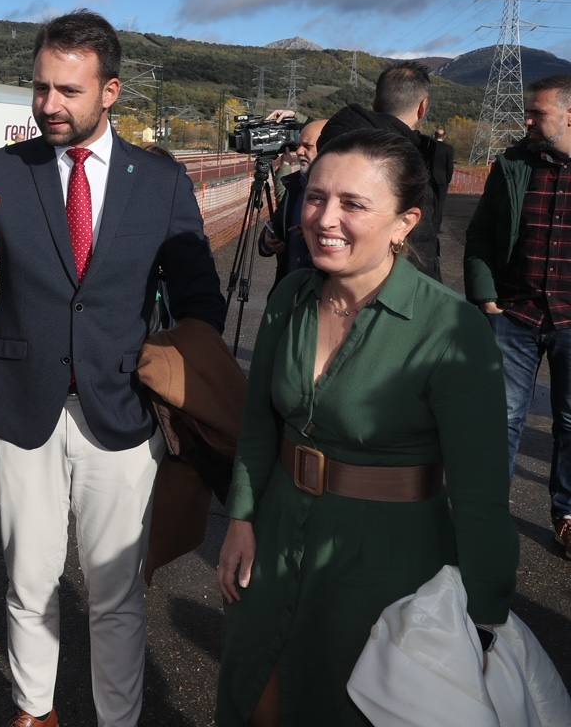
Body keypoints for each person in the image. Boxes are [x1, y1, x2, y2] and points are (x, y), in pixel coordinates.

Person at [0, 10, 226, 727]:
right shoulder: (2, 170)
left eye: (67, 91)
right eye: (40, 89)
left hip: (122, 411)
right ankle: (34, 711)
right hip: (20, 406)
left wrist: (181, 374)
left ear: (111, 91)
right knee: (28, 582)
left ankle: (116, 719)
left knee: (116, 590)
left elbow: (199, 298)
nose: (48, 106)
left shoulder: (160, 182)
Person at [217, 129, 517, 726]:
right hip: (277, 534)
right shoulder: (292, 298)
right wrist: (241, 519)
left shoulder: (452, 329)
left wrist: (483, 620)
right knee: (256, 696)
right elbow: (258, 424)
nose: (324, 218)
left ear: (405, 223)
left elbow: (481, 494)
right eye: (315, 197)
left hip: (389, 559)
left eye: (354, 204)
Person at [465, 74, 571, 557]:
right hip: (516, 315)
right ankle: (485, 516)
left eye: (538, 112)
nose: (527, 119)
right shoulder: (513, 164)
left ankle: (566, 514)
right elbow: (482, 234)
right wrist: (485, 296)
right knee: (499, 417)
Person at [318, 62, 445, 280]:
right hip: (400, 290)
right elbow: (421, 246)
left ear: (376, 102)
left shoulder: (335, 143)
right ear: (423, 107)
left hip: (326, 283)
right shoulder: (411, 163)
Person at [258, 118, 325, 287]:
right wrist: (267, 240)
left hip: (320, 297)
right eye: (299, 145)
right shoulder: (294, 187)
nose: (299, 151)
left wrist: (318, 235)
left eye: (307, 146)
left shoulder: (343, 195)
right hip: (286, 296)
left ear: (327, 149)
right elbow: (277, 226)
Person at [431, 125, 456, 231]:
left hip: (428, 179)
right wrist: (448, 179)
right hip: (442, 180)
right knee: (439, 204)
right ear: (444, 136)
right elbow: (449, 166)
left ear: (434, 135)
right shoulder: (448, 149)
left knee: (427, 202)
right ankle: (436, 226)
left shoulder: (429, 146)